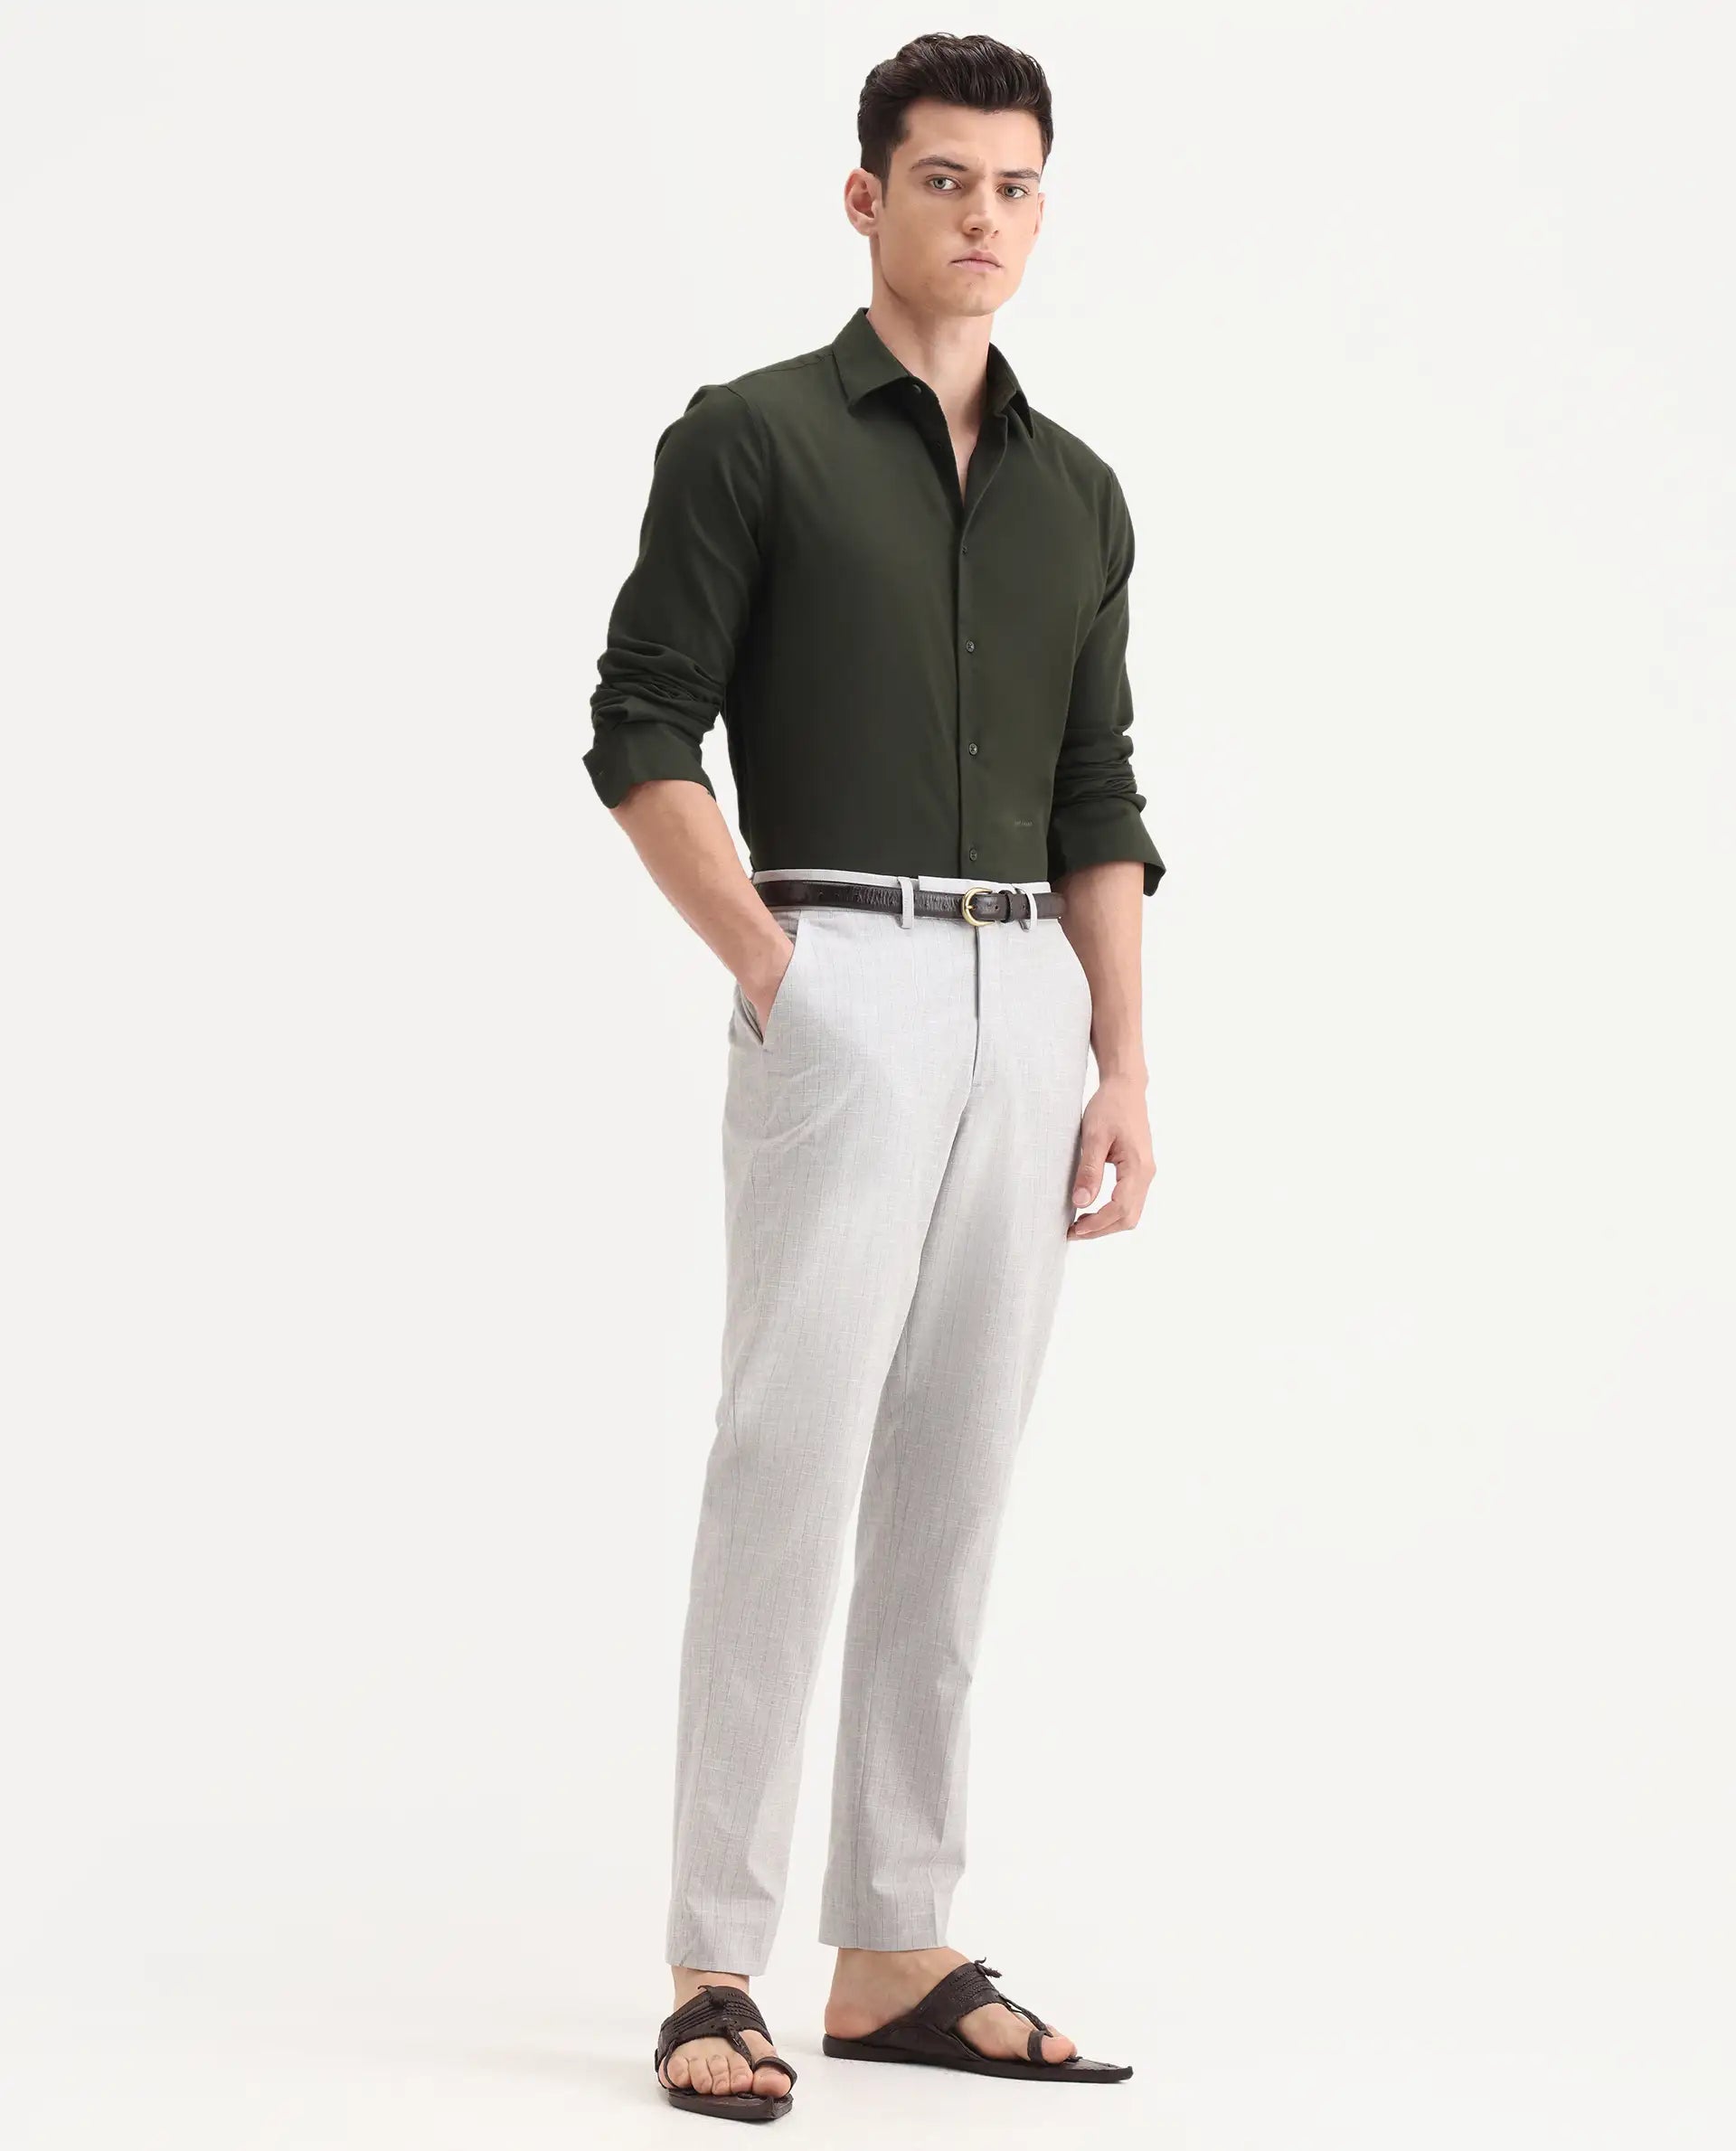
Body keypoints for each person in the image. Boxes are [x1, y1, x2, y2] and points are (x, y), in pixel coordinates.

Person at [584, 32, 1164, 2122]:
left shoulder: (1078, 492)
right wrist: (778, 972)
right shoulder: (749, 439)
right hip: (841, 964)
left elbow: (1099, 790)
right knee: (790, 1453)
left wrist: (1122, 1057)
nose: (982, 216)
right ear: (867, 198)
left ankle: (899, 1938)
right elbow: (641, 728)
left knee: (955, 1472)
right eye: (942, 180)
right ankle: (712, 1960)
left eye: (1013, 185)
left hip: (1031, 1002)